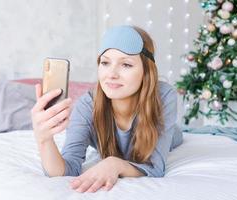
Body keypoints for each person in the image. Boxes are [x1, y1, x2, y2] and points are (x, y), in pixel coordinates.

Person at [31, 25, 183, 193]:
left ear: (146, 71)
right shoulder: (87, 106)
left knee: (177, 135)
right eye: (105, 62)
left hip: (173, 136)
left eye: (125, 64)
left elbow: (156, 168)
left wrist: (114, 163)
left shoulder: (164, 96)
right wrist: (44, 139)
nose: (111, 74)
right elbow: (67, 171)